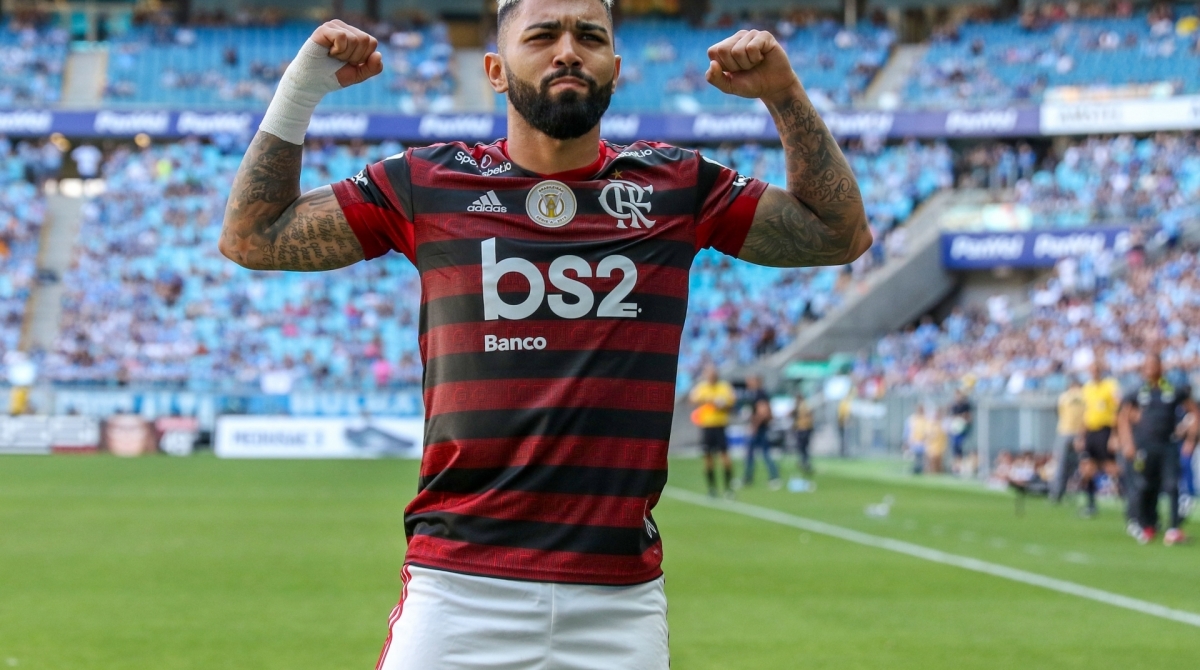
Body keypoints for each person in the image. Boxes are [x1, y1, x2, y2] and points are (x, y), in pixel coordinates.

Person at [217, 8, 870, 668]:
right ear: (496, 71)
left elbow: (839, 236)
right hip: (459, 589)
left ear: (615, 69)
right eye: (541, 36)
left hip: (619, 603)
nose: (567, 52)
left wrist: (783, 95)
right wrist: (302, 86)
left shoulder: (676, 185)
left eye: (589, 37)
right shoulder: (427, 182)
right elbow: (251, 237)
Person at [1117, 353, 1197, 546]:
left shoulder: (1172, 390)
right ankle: (1147, 524)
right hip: (1144, 445)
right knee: (1145, 486)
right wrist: (1127, 443)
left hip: (1168, 445)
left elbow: (1194, 411)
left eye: (1154, 364)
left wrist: (1189, 438)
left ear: (1161, 367)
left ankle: (1173, 528)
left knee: (1171, 485)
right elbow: (1123, 418)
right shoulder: (1137, 392)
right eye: (1147, 365)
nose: (1150, 368)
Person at [1078, 360, 1121, 518]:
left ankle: (1129, 498)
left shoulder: (1110, 386)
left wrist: (1115, 435)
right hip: (1091, 431)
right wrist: (1081, 436)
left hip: (1105, 430)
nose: (1093, 372)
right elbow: (1085, 413)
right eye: (1091, 370)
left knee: (1110, 466)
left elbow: (1117, 410)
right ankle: (1090, 504)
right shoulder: (1087, 388)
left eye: (1096, 369)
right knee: (1087, 468)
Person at [690, 364, 738, 498]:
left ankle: (728, 488)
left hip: (720, 425)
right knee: (708, 458)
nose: (711, 376)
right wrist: (708, 400)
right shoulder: (702, 388)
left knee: (725, 457)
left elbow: (732, 402)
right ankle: (712, 488)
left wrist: (723, 404)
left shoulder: (724, 387)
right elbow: (692, 400)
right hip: (707, 426)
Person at [742, 375, 780, 489]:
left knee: (759, 453)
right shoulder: (759, 393)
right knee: (762, 453)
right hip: (761, 427)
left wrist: (754, 427)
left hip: (760, 428)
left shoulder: (760, 394)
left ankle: (751, 477)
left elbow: (763, 413)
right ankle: (751, 477)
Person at [1051, 375, 1085, 503]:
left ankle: (1056, 493)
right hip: (1080, 433)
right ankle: (1079, 492)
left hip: (1064, 431)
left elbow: (1057, 411)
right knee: (1079, 464)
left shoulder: (1064, 396)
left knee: (1060, 464)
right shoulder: (1084, 396)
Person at [948, 389, 973, 474]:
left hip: (964, 430)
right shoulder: (954, 406)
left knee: (963, 448)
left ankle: (963, 467)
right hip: (956, 431)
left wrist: (961, 418)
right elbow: (952, 417)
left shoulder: (966, 405)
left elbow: (968, 417)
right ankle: (957, 467)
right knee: (956, 448)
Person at [793, 390, 814, 476]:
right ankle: (804, 462)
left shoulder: (802, 406)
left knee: (803, 447)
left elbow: (807, 416)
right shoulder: (804, 405)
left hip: (804, 428)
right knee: (803, 447)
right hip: (804, 428)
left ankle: (805, 462)